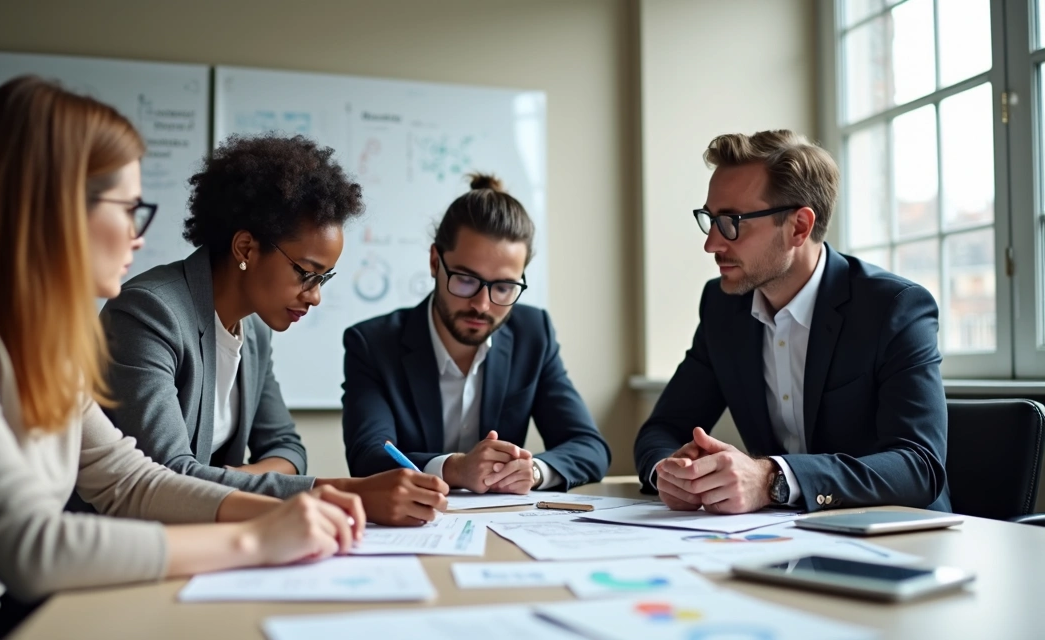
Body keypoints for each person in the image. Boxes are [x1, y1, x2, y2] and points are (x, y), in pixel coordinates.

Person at [0, 76, 364, 640]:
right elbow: (27, 546)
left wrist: (291, 510)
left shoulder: (44, 341)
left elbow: (132, 482)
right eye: (130, 209)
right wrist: (256, 539)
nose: (138, 237)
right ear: (53, 208)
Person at [99, 134, 449, 527]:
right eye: (305, 274)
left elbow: (288, 448)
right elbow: (167, 480)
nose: (314, 297)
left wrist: (222, 482)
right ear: (246, 248)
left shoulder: (254, 330)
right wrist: (346, 492)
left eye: (323, 279)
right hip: (123, 548)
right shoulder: (150, 313)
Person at [633, 129, 950, 515]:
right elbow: (662, 429)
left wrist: (771, 480)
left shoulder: (894, 308)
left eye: (731, 221)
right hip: (777, 540)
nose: (712, 244)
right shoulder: (723, 307)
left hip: (897, 542)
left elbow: (918, 468)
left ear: (799, 226)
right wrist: (669, 472)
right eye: (710, 219)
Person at [342, 174, 610, 494]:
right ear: (434, 262)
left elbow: (588, 446)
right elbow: (368, 456)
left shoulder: (533, 334)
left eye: (503, 286)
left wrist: (534, 471)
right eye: (466, 280)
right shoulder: (372, 344)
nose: (482, 305)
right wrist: (455, 468)